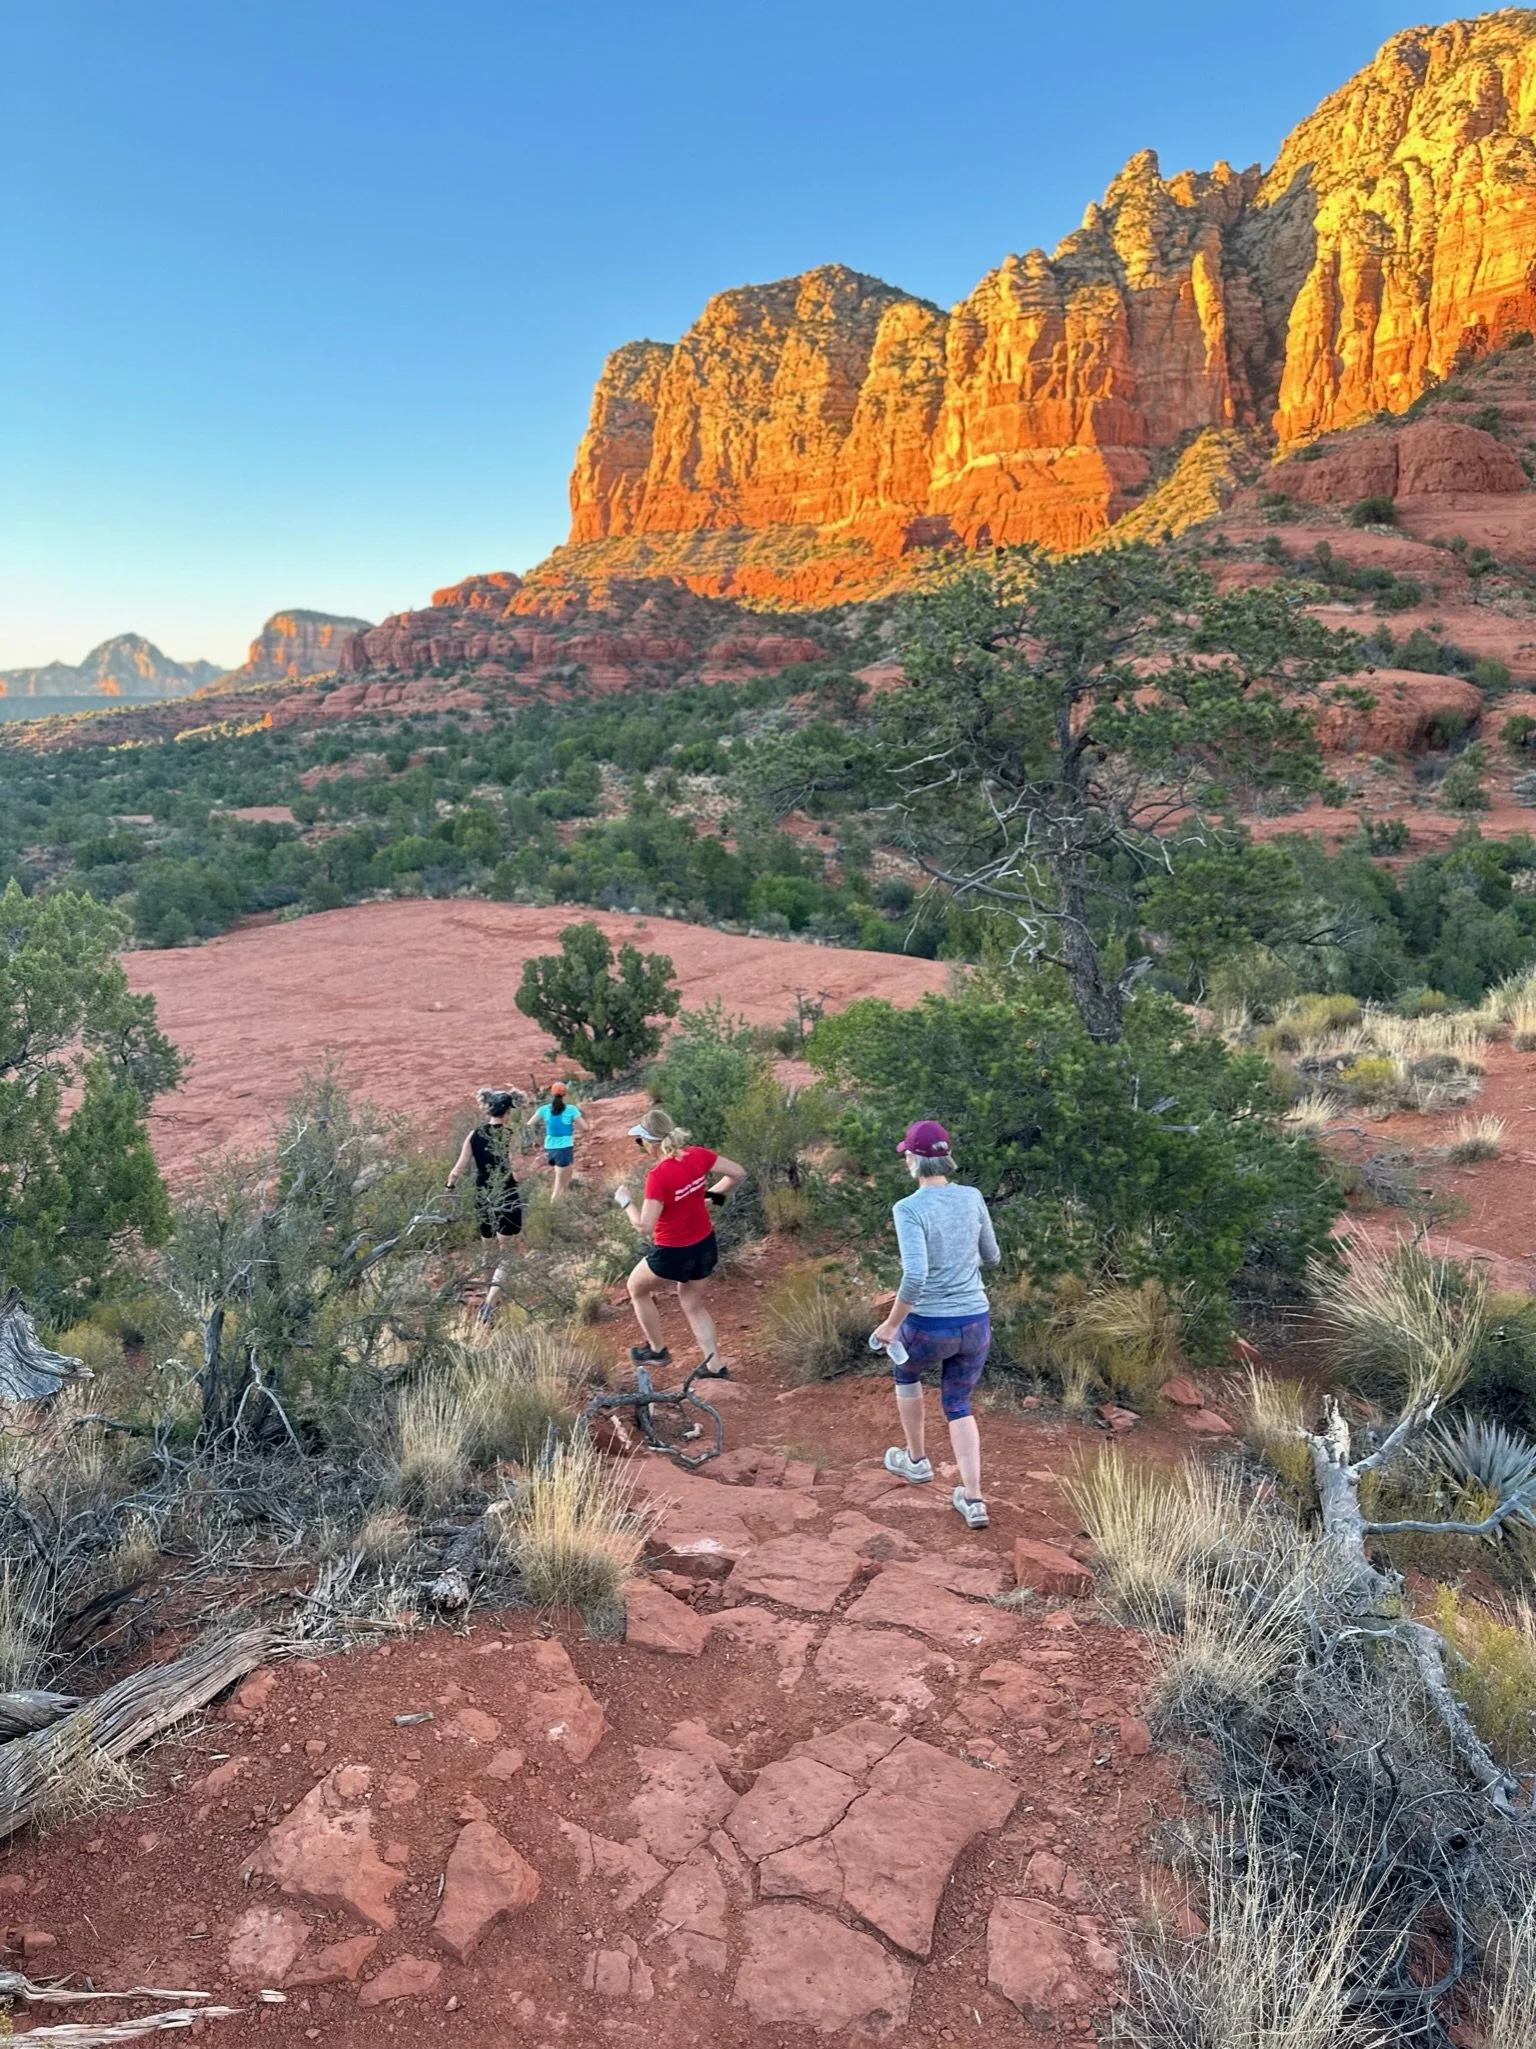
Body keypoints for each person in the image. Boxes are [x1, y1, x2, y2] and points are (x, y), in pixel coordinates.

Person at [870, 1118, 1000, 1530]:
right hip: (975, 1322)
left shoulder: (908, 1208)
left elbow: (916, 1276)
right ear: (945, 1158)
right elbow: (992, 1256)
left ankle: (916, 1460)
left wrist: (891, 1325)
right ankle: (974, 1499)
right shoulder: (973, 1196)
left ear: (912, 1159)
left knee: (905, 1372)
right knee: (959, 1404)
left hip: (930, 1324)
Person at [614, 1106, 744, 1377]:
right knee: (693, 1304)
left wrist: (625, 1201)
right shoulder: (698, 1155)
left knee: (636, 1288)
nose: (641, 1147)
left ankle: (657, 1350)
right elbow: (738, 1173)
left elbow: (643, 1226)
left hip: (673, 1252)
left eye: (641, 1142)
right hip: (705, 1245)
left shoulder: (658, 1177)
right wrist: (710, 1196)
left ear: (652, 1142)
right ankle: (715, 1367)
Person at [446, 1087, 526, 1322]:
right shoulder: (512, 1135)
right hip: (506, 1195)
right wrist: (539, 1164)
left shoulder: (474, 1134)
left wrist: (449, 1189)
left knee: (487, 1250)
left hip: (482, 1195)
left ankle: (488, 1293)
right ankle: (489, 1307)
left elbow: (458, 1169)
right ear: (508, 1112)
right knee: (507, 1254)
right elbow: (517, 1175)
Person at [528, 1081, 583, 1202]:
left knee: (566, 1176)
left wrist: (535, 1139)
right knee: (558, 1186)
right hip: (564, 1149)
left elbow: (529, 1124)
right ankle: (554, 1210)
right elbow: (585, 1128)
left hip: (550, 1148)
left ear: (552, 1094)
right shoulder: (571, 1110)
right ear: (565, 1094)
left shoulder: (544, 1109)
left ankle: (562, 1205)